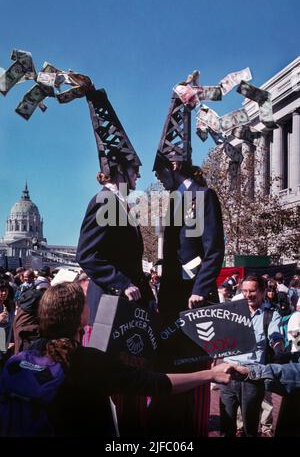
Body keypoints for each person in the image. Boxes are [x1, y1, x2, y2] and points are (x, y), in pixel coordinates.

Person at [0, 282, 237, 437]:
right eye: (85, 301)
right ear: (80, 316)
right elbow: (155, 383)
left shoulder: (20, 357)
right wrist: (211, 374)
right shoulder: (87, 362)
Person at [76, 88, 155, 435]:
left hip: (129, 306)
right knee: (112, 384)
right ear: (120, 171)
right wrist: (122, 283)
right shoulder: (104, 202)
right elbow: (87, 255)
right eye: (135, 171)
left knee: (129, 384)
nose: (138, 178)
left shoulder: (124, 206)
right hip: (111, 304)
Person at [148, 92, 225, 437]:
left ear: (175, 166)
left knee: (193, 376)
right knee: (168, 375)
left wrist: (200, 289)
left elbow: (214, 250)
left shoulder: (203, 196)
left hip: (192, 303)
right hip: (170, 302)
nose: (160, 179)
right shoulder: (174, 201)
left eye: (162, 171)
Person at [219, 274, 284, 437]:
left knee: (250, 426)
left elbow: (276, 337)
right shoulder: (233, 311)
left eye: (252, 291)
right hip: (228, 374)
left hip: (252, 377)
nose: (247, 295)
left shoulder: (271, 315)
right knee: (226, 426)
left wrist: (279, 347)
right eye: (244, 291)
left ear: (262, 291)